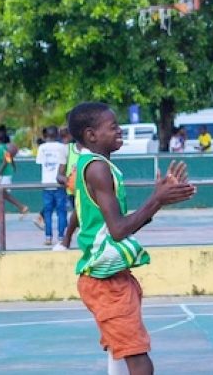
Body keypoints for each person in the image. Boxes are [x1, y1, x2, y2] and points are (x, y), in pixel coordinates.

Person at [69, 102, 195, 375]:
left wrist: (158, 201)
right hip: (104, 280)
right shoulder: (97, 169)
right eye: (113, 127)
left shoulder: (96, 166)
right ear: (91, 135)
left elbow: (114, 224)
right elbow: (118, 230)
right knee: (138, 358)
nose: (119, 131)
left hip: (109, 274)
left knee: (120, 349)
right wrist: (156, 199)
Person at [0, 130, 34, 225]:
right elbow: (9, 158)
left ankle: (1, 214)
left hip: (3, 174)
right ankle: (20, 208)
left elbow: (5, 161)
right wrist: (13, 164)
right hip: (6, 173)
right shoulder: (5, 147)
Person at [35, 126, 68, 246]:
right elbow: (65, 162)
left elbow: (40, 162)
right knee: (61, 212)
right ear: (57, 135)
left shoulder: (42, 148)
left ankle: (48, 237)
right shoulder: (63, 147)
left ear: (45, 136)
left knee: (47, 212)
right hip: (59, 184)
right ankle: (61, 237)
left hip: (46, 184)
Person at [55, 126, 81, 251]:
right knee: (78, 216)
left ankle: (67, 239)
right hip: (73, 192)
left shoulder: (94, 150)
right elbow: (59, 175)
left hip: (91, 191)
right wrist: (68, 180)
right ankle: (67, 239)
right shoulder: (67, 150)